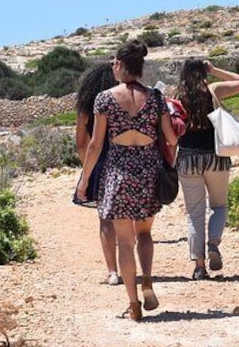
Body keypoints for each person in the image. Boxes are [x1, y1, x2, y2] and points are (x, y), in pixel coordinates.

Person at [77, 40, 179, 322]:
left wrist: (84, 181)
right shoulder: (156, 98)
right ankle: (147, 278)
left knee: (125, 242)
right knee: (145, 234)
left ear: (120, 65)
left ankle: (133, 304)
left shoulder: (104, 99)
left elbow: (95, 145)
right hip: (149, 172)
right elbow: (170, 138)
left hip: (118, 174)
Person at [177, 58, 239, 280]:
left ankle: (199, 267)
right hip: (216, 157)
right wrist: (215, 70)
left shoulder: (176, 97)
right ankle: (213, 243)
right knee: (219, 206)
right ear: (203, 72)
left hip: (188, 159)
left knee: (194, 213)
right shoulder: (213, 90)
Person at [73, 62, 119, 286]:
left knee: (105, 219)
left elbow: (82, 143)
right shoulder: (122, 101)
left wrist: (87, 170)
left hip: (99, 163)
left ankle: (112, 271)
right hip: (125, 160)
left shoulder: (85, 107)